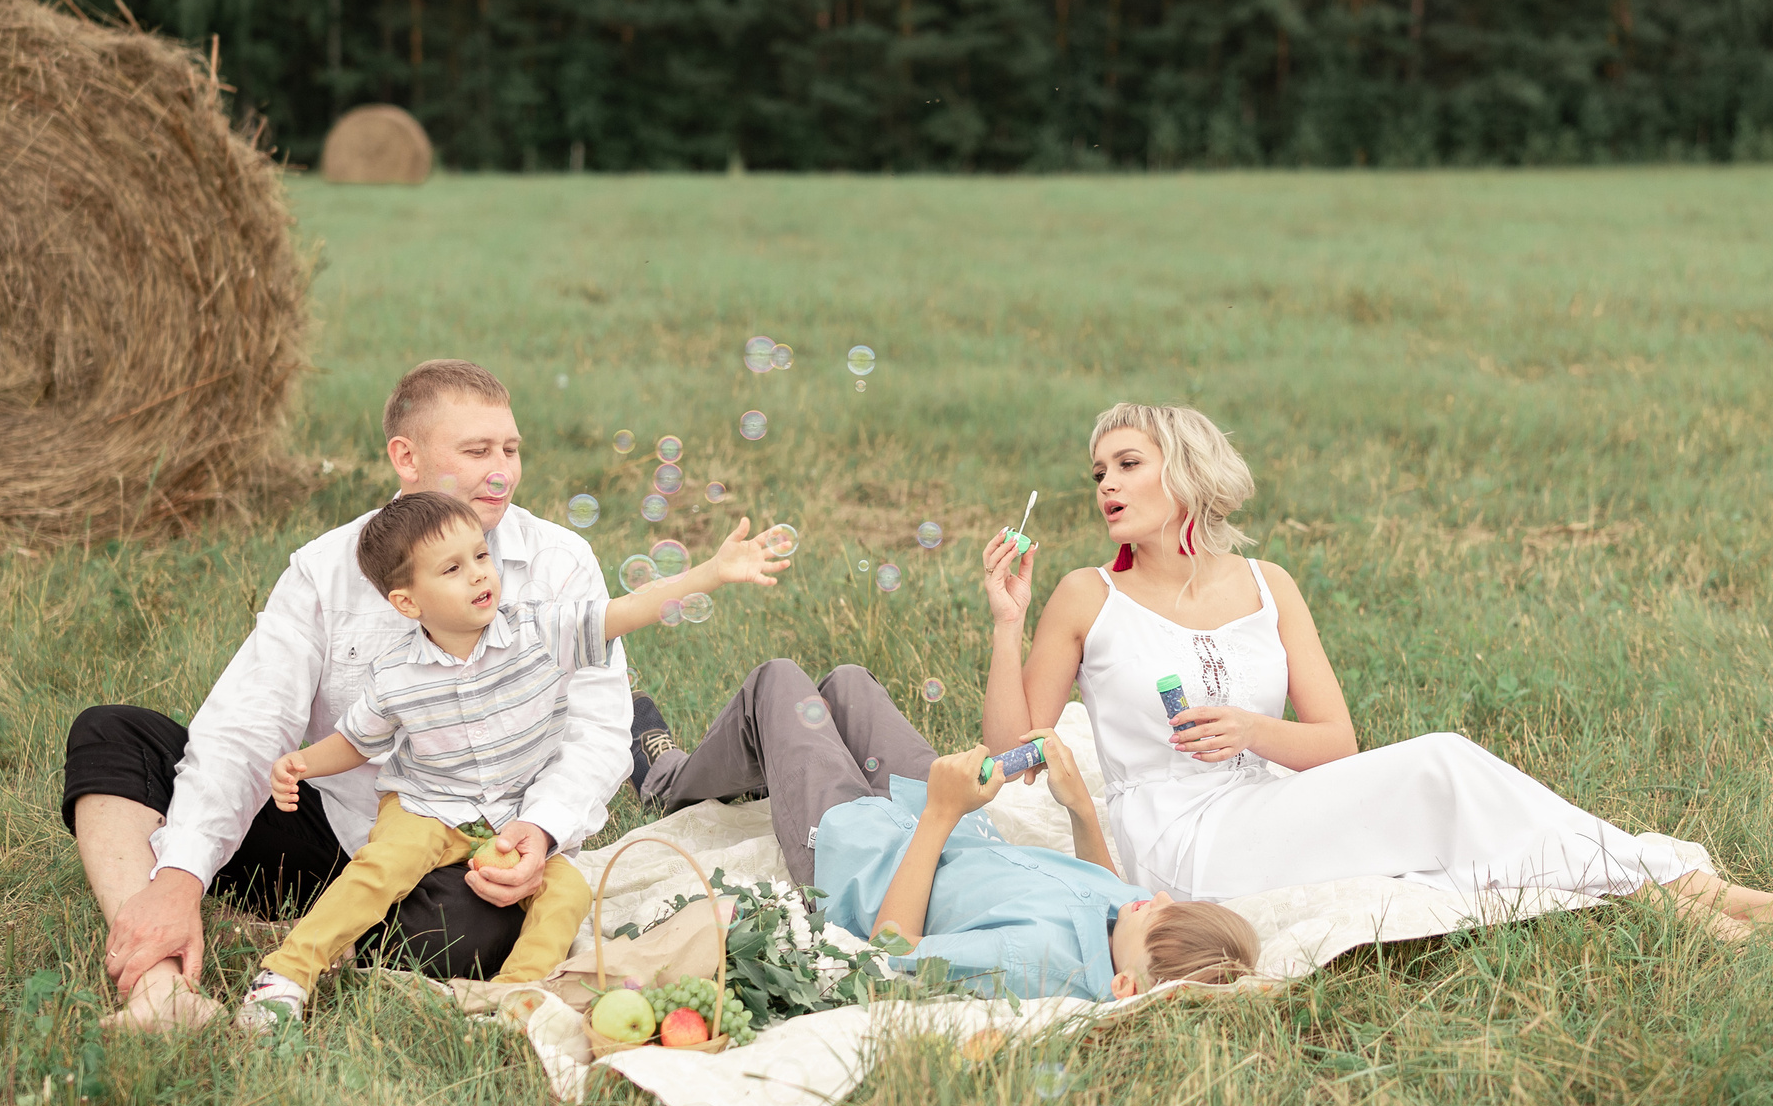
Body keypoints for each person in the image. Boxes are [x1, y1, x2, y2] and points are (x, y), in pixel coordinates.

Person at [976, 401, 1773, 940]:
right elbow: (1012, 757)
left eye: (1128, 463)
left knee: (1462, 813)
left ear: (1186, 471)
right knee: (1443, 768)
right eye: (1098, 471)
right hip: (1177, 841)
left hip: (1267, 800)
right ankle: (1690, 893)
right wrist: (1008, 624)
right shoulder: (1086, 595)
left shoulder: (1267, 583)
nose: (1106, 483)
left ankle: (1686, 897)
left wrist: (1250, 730)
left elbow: (1337, 742)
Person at [63, 360, 636, 1029]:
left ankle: (302, 934)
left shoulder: (560, 562)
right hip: (337, 826)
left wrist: (539, 831)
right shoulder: (326, 569)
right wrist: (180, 877)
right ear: (406, 457)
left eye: (511, 449)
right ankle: (161, 989)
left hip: (475, 842)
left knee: (473, 932)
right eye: (477, 451)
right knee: (112, 735)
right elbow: (249, 726)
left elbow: (599, 729)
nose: (502, 472)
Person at [236, 499, 788, 1029]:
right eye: (452, 568)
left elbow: (625, 610)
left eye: (481, 555)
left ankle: (516, 995)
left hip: (510, 815)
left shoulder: (538, 630)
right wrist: (302, 763)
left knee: (568, 892)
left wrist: (712, 573)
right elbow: (357, 741)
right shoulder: (394, 675)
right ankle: (287, 973)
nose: (480, 573)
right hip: (424, 806)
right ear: (407, 602)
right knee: (382, 867)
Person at [634, 661, 1260, 1000]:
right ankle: (774, 762)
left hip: (861, 854)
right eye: (1171, 903)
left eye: (1156, 916)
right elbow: (1109, 890)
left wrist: (939, 813)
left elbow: (890, 952)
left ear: (1124, 986)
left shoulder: (1029, 961)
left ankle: (664, 781)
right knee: (847, 685)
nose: (1156, 897)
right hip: (946, 822)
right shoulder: (1127, 927)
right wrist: (1079, 808)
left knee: (776, 682)